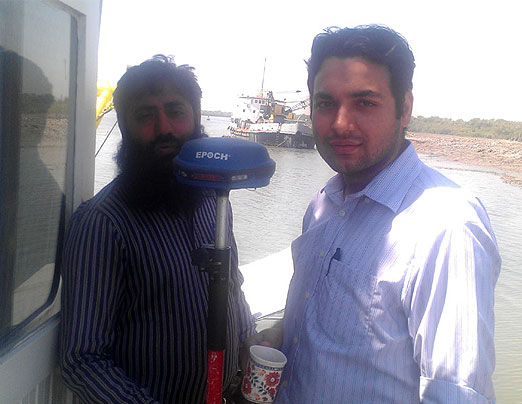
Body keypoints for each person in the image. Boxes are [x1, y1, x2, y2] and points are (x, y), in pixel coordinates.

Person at [249, 25, 501, 403]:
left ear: (405, 109)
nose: (340, 124)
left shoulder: (446, 226)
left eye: (365, 103)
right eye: (325, 103)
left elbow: (456, 394)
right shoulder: (324, 203)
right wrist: (284, 333)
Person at [60, 55, 255, 404]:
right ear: (125, 128)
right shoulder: (103, 223)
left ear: (195, 118)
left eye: (176, 112)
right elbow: (82, 359)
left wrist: (248, 341)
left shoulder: (215, 199)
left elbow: (231, 285)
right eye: (146, 116)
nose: (164, 128)